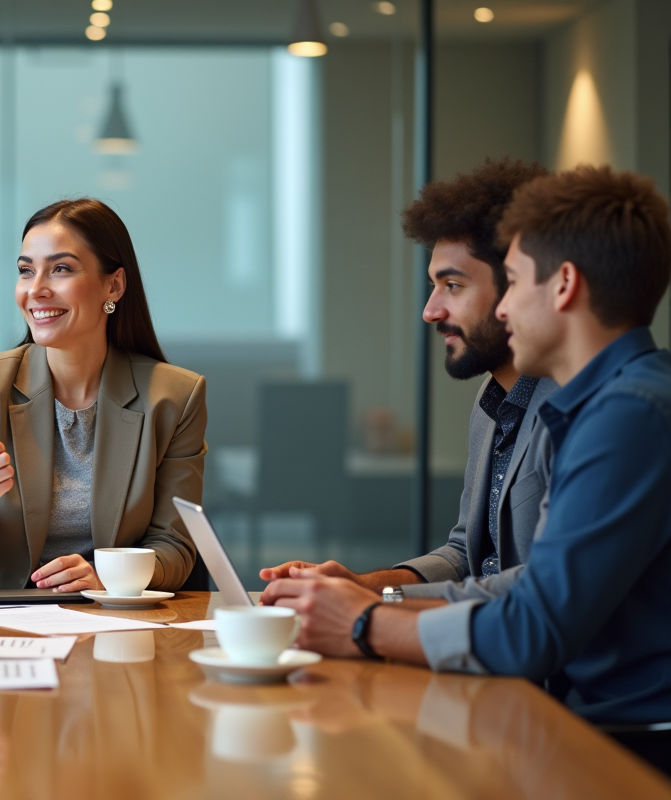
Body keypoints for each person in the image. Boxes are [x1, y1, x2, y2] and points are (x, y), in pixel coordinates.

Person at [262, 165, 671, 728]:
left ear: (564, 284)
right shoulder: (600, 402)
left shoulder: (628, 414)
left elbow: (534, 622)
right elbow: (482, 560)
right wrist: (369, 591)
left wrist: (365, 620)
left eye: (517, 280)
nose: (504, 308)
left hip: (614, 738)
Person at [262, 158, 555, 603]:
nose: (430, 310)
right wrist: (366, 586)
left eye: (452, 286)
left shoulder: (579, 407)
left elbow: (545, 586)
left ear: (516, 285)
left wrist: (379, 612)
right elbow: (466, 553)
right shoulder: (490, 402)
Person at [0, 199, 207, 592]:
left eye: (61, 269)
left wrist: (108, 578)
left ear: (113, 285)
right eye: (25, 271)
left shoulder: (174, 398)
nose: (36, 290)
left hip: (111, 628)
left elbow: (176, 548)